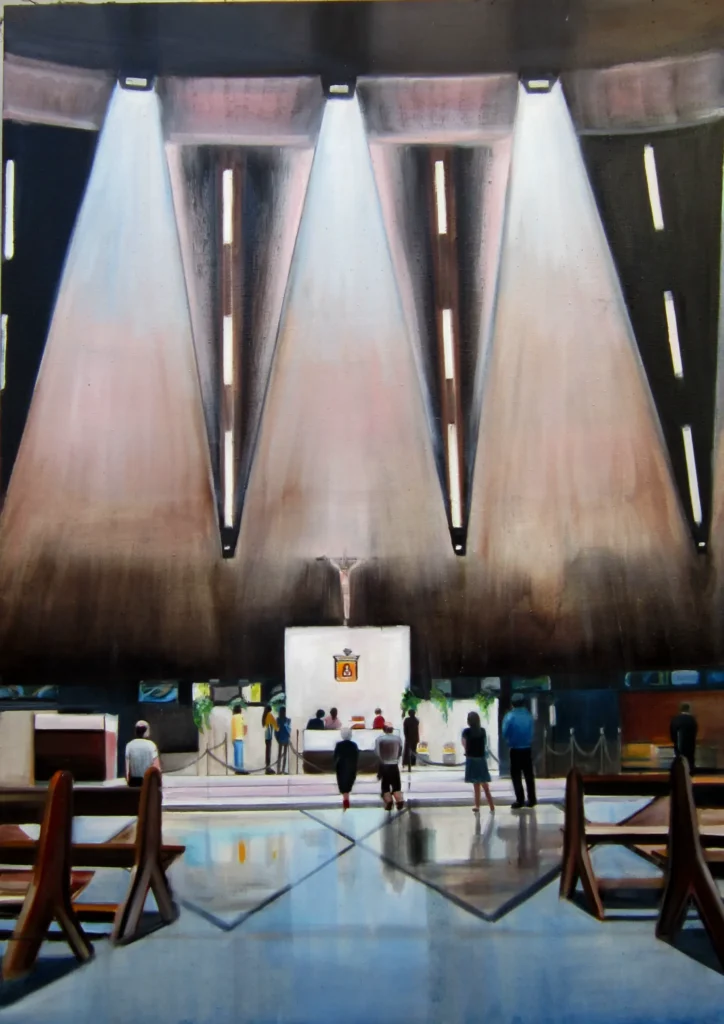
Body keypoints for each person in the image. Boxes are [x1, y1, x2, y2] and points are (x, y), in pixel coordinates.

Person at [502, 693, 536, 810]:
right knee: (529, 775)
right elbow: (532, 732)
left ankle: (520, 800)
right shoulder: (529, 716)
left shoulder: (509, 716)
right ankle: (532, 799)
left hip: (515, 749)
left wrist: (509, 741)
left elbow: (505, 732)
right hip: (527, 748)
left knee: (516, 776)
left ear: (512, 704)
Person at [462, 711, 495, 814]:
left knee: (476, 784)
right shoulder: (482, 731)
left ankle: (477, 805)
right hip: (481, 759)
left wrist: (467, 751)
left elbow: (464, 744)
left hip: (471, 759)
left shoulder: (466, 732)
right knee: (484, 784)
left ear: (469, 721)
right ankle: (491, 805)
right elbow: (484, 743)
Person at [375, 724, 404, 811]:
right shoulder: (398, 739)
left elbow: (377, 753)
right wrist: (397, 759)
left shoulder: (380, 739)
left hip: (384, 765)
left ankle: (388, 801)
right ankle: (399, 800)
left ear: (384, 730)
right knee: (396, 785)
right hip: (394, 765)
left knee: (385, 786)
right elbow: (400, 751)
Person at [125, 720, 160, 787]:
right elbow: (156, 767)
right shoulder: (151, 745)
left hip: (134, 782)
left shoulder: (129, 745)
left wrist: (128, 783)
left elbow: (127, 770)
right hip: (148, 781)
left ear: (136, 731)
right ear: (147, 731)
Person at [334, 727, 359, 811]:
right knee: (348, 785)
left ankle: (345, 800)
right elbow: (356, 756)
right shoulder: (354, 745)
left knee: (343, 785)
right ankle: (346, 799)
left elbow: (335, 757)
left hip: (341, 767)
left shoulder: (339, 745)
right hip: (351, 767)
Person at [670, 702, 698, 774]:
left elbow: (672, 731)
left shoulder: (676, 719)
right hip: (690, 744)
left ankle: (680, 773)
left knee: (679, 760)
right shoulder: (692, 719)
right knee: (690, 759)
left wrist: (674, 741)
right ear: (689, 709)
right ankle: (690, 773)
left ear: (680, 709)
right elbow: (695, 732)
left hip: (678, 744)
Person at [230, 704, 247, 771]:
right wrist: (243, 734)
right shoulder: (242, 717)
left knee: (236, 754)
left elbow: (233, 729)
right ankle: (241, 768)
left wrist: (232, 739)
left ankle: (237, 768)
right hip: (241, 737)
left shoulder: (233, 718)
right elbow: (245, 727)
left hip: (235, 738)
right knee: (240, 754)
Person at [275, 706, 292, 774]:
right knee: (284, 754)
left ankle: (278, 769)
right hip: (286, 737)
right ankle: (283, 769)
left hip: (280, 738)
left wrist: (277, 737)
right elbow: (289, 730)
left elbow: (276, 730)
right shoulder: (287, 720)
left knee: (280, 754)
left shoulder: (278, 719)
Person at [262, 705, 277, 774]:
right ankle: (268, 767)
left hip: (266, 735)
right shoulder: (269, 715)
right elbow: (274, 723)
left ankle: (267, 766)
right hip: (269, 736)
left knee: (267, 751)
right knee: (269, 751)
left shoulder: (264, 715)